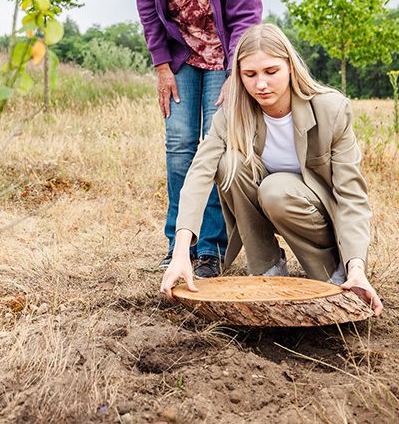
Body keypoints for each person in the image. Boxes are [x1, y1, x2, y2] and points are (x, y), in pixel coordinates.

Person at [159, 24, 383, 315]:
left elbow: (352, 195)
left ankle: (333, 273)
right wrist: (181, 253)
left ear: (290, 66)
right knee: (229, 164)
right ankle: (267, 269)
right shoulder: (232, 113)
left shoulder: (331, 109)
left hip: (316, 218)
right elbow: (199, 173)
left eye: (271, 72)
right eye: (249, 75)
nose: (261, 84)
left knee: (275, 189)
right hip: (263, 208)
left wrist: (357, 266)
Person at [132, 0, 262, 278]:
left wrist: (237, 72)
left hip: (225, 55)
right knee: (179, 147)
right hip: (181, 52)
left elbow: (246, 11)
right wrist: (162, 67)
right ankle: (178, 246)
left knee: (213, 148)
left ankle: (208, 250)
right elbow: (147, 4)